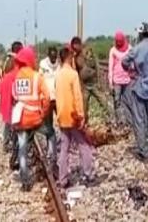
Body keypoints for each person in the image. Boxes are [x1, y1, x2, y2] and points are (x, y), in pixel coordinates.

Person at [122, 22, 148, 161]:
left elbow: (124, 61)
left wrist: (131, 71)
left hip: (139, 87)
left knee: (139, 121)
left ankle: (143, 151)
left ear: (140, 34)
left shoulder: (136, 48)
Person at [56, 46, 95, 188]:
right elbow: (78, 97)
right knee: (84, 146)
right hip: (73, 116)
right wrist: (81, 115)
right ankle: (88, 174)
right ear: (69, 58)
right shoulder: (73, 75)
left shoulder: (58, 74)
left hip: (62, 116)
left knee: (64, 149)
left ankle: (63, 179)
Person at [12, 47, 50, 191]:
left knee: (22, 148)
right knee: (51, 134)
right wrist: (43, 113)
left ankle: (25, 179)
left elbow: (14, 96)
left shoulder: (17, 77)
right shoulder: (37, 76)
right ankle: (52, 161)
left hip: (21, 119)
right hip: (35, 119)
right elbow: (46, 97)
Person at [70, 36, 109, 121]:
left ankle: (109, 118)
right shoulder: (75, 58)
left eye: (76, 46)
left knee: (103, 101)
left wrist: (99, 82)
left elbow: (97, 66)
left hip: (94, 83)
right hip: (85, 86)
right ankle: (85, 122)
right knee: (84, 107)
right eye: (73, 47)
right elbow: (76, 71)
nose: (75, 48)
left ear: (79, 44)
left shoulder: (88, 52)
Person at [0, 43, 23, 154]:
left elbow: (3, 74)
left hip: (7, 91)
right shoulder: (18, 61)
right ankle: (15, 142)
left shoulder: (7, 60)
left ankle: (6, 143)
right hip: (16, 91)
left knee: (8, 120)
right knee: (17, 119)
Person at [38, 46, 60, 172]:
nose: (53, 58)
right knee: (48, 126)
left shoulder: (59, 66)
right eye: (51, 56)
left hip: (57, 98)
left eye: (55, 56)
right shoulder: (42, 65)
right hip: (46, 100)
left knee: (62, 123)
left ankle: (59, 147)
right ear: (48, 55)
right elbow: (40, 80)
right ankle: (51, 150)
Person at [108, 31, 131, 125]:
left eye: (120, 41)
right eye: (117, 41)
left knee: (128, 102)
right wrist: (110, 82)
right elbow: (110, 66)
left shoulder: (129, 49)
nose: (118, 43)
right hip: (117, 80)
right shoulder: (113, 50)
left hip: (127, 80)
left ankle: (129, 122)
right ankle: (120, 121)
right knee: (117, 101)